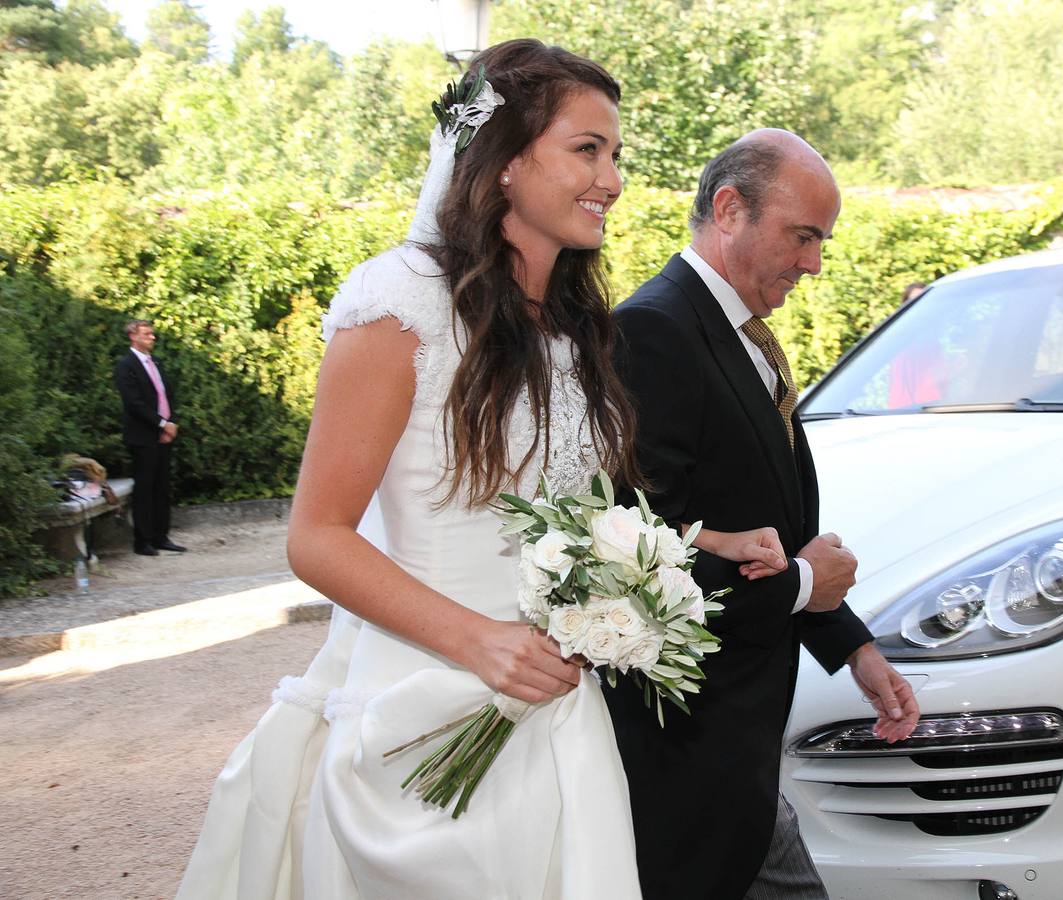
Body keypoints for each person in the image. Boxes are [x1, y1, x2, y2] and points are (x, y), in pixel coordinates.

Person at [174, 41, 778, 900]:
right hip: (425, 706)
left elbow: (558, 510)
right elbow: (316, 539)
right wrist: (482, 644)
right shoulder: (399, 306)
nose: (611, 179)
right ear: (502, 163)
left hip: (556, 712)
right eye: (587, 149)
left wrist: (687, 542)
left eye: (616, 155)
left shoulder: (575, 329)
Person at [602, 130, 924, 900]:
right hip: (687, 748)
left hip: (735, 748)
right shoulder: (653, 332)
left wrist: (847, 643)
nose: (814, 262)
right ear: (727, 209)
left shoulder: (737, 331)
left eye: (821, 240)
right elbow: (639, 555)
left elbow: (762, 523)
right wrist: (810, 582)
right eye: (802, 235)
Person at [114, 319, 186, 555]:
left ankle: (161, 536)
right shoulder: (126, 365)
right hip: (143, 435)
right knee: (145, 488)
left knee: (162, 487)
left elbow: (166, 395)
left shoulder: (156, 362)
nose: (152, 337)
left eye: (152, 334)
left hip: (164, 433)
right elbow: (134, 403)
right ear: (133, 336)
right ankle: (142, 541)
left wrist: (170, 423)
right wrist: (161, 424)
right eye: (146, 334)